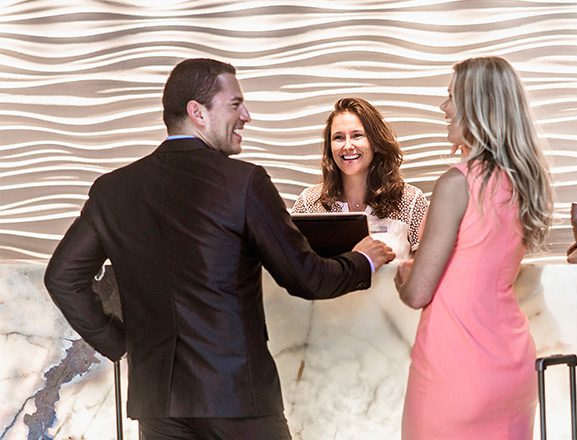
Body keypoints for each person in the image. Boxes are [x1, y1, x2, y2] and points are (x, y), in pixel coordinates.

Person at [43, 58, 395, 440]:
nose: (247, 115)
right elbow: (305, 277)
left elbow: (63, 277)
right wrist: (363, 261)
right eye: (235, 104)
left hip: (158, 403)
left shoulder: (114, 190)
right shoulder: (244, 183)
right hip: (238, 399)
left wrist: (118, 342)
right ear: (197, 112)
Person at [394, 56, 553, 439]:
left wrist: (402, 271)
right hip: (511, 364)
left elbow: (418, 293)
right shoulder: (524, 184)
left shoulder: (457, 184)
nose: (444, 108)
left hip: (455, 367)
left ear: (477, 106)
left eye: (452, 97)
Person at [292, 97, 428, 260]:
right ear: (330, 147)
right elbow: (295, 266)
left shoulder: (411, 201)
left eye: (357, 135)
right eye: (339, 137)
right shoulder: (309, 203)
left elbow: (427, 268)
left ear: (375, 142)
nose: (348, 146)